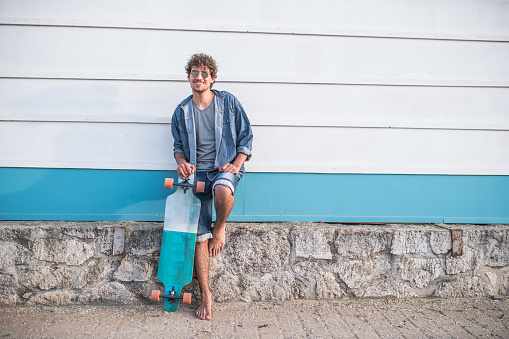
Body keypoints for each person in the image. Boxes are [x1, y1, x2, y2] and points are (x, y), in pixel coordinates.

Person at [170, 53, 253, 320]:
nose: (199, 77)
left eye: (204, 73)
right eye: (195, 72)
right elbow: (178, 149)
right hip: (196, 176)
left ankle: (221, 228)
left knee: (222, 191)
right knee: (198, 236)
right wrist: (181, 163)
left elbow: (246, 137)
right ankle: (206, 294)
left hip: (223, 169)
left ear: (212, 78)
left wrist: (237, 164)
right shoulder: (181, 111)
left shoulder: (228, 102)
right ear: (189, 77)